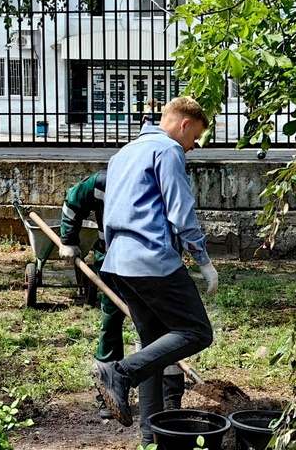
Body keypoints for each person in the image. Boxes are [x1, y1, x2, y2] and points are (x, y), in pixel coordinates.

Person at [92, 96, 218, 447]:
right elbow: (180, 211)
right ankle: (119, 372)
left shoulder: (123, 154)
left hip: (118, 263)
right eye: (195, 137)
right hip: (152, 260)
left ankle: (150, 437)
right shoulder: (167, 151)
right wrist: (203, 259)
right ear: (184, 124)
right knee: (196, 332)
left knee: (152, 344)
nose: (193, 147)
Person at [58, 170, 184, 420]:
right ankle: (108, 392)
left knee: (162, 329)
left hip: (155, 267)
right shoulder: (102, 183)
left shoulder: (163, 185)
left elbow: (177, 226)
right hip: (113, 265)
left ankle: (169, 397)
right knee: (111, 324)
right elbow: (73, 201)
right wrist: (68, 240)